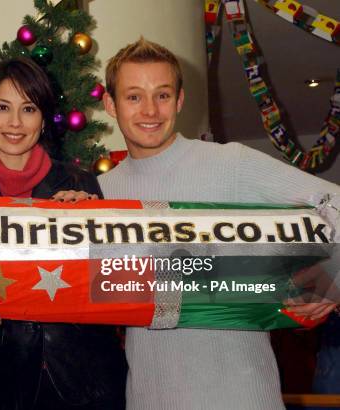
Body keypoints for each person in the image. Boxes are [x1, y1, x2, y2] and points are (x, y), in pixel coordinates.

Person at [98, 37, 339, 410]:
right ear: (110, 104)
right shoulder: (101, 192)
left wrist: (332, 277)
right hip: (149, 396)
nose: (150, 110)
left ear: (179, 100)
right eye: (133, 97)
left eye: (162, 95)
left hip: (243, 395)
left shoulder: (232, 164)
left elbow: (334, 202)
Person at [0, 57, 127, 410]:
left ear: (43, 120)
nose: (14, 122)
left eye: (28, 109)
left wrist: (92, 222)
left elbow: (112, 285)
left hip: (88, 383)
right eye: (2, 107)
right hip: (5, 387)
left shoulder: (82, 185)